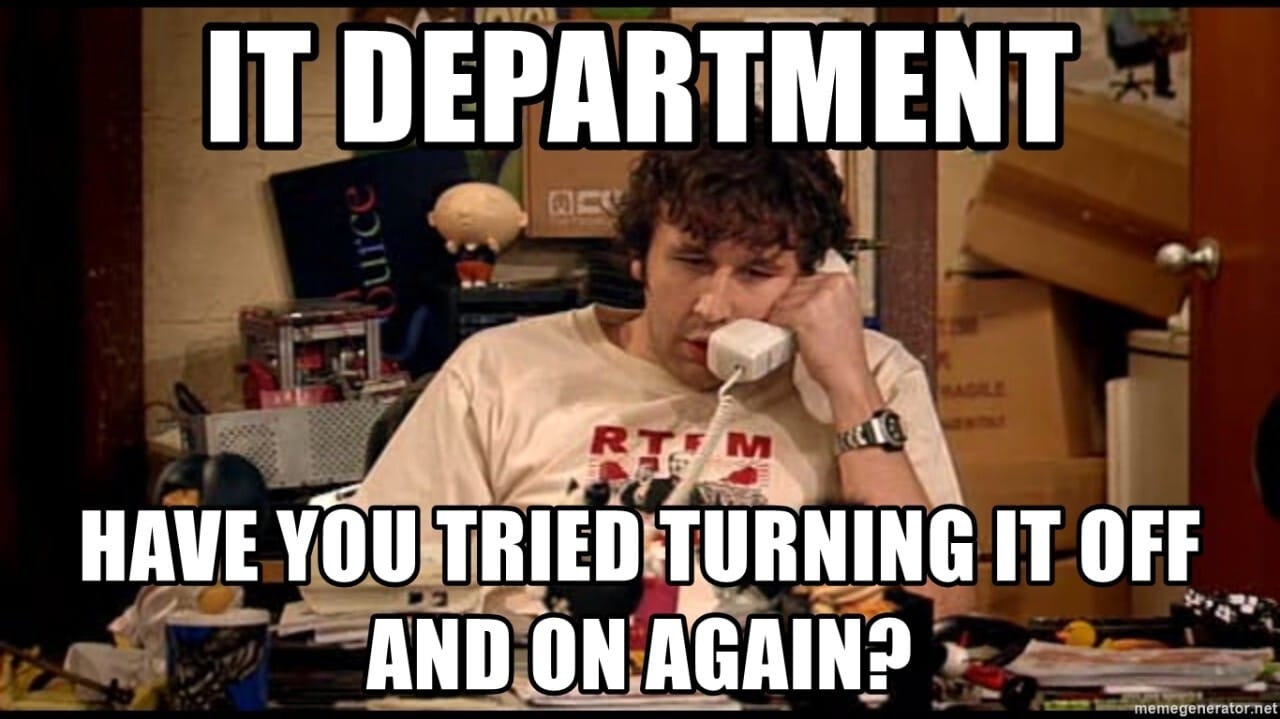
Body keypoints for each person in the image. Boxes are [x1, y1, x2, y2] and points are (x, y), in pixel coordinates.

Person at [347, 103, 973, 619]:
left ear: (814, 279)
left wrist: (850, 391)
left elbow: (940, 611)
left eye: (757, 273)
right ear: (640, 256)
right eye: (692, 261)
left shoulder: (870, 375)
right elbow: (364, 583)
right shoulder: (499, 370)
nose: (714, 306)